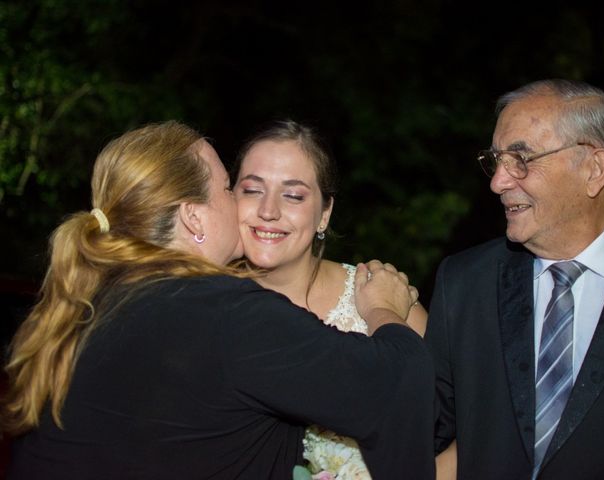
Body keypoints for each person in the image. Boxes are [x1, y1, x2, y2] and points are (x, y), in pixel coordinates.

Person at [0, 121, 436, 479]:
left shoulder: (86, 300)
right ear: (193, 217)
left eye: (293, 193)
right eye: (233, 188)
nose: (259, 209)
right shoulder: (222, 312)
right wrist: (384, 308)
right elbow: (390, 387)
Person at [426, 78, 604, 479]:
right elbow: (427, 432)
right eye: (496, 161)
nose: (498, 182)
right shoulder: (465, 284)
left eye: (521, 159)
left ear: (594, 169)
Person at [233, 119, 430, 479]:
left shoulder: (379, 297)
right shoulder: (202, 302)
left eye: (293, 195)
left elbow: (455, 432)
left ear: (325, 212)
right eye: (252, 190)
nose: (268, 211)